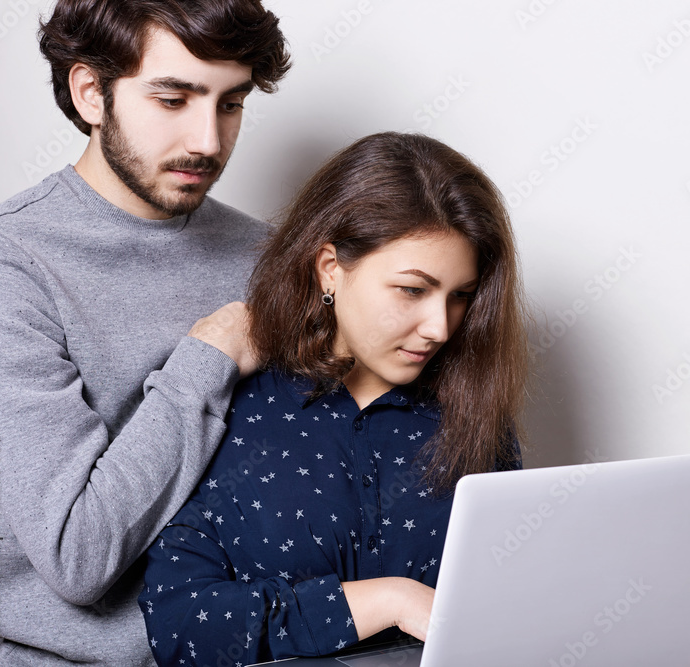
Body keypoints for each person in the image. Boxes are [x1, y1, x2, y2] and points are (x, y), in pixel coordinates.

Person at [0, 1, 290, 664]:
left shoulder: (268, 255)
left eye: (230, 104)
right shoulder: (5, 265)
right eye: (173, 100)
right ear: (92, 92)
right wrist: (208, 359)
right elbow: (76, 554)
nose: (207, 139)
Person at [139, 131, 529, 664]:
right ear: (330, 269)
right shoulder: (235, 406)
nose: (439, 326)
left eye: (460, 296)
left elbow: (516, 608)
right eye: (413, 290)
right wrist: (389, 601)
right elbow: (180, 625)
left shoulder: (473, 416)